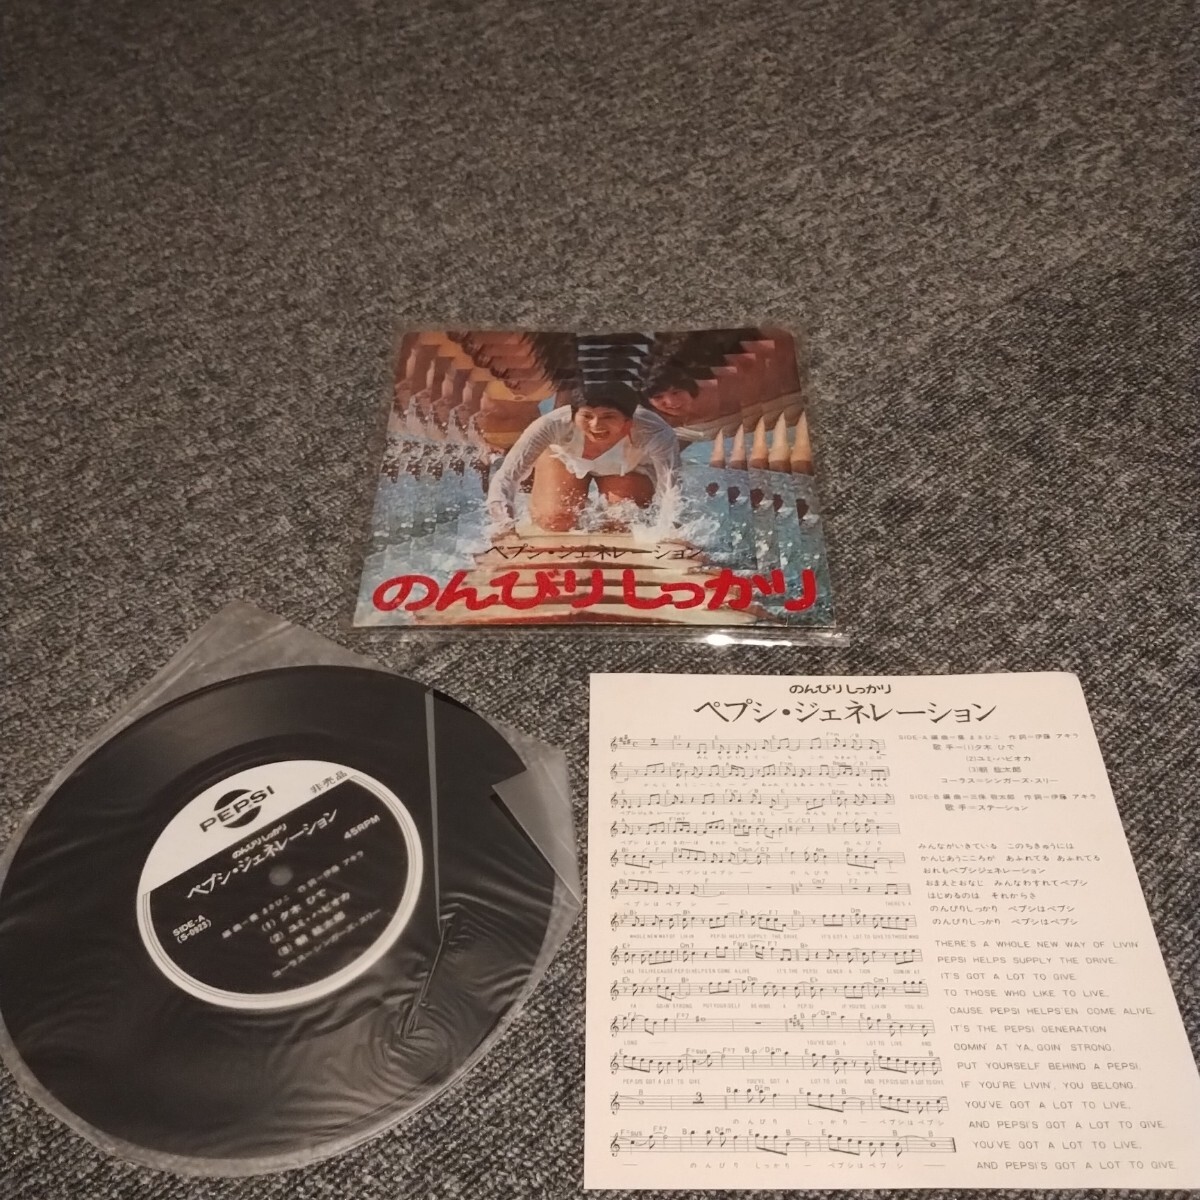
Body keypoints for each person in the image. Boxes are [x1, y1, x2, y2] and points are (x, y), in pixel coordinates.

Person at [486, 384, 681, 534]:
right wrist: (504, 526)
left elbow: (670, 488)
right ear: (573, 416)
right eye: (587, 416)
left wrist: (670, 531)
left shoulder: (655, 432)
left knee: (627, 520)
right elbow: (507, 476)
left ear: (628, 422)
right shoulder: (552, 424)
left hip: (629, 467)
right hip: (564, 460)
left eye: (608, 417)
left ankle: (603, 512)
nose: (596, 425)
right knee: (554, 520)